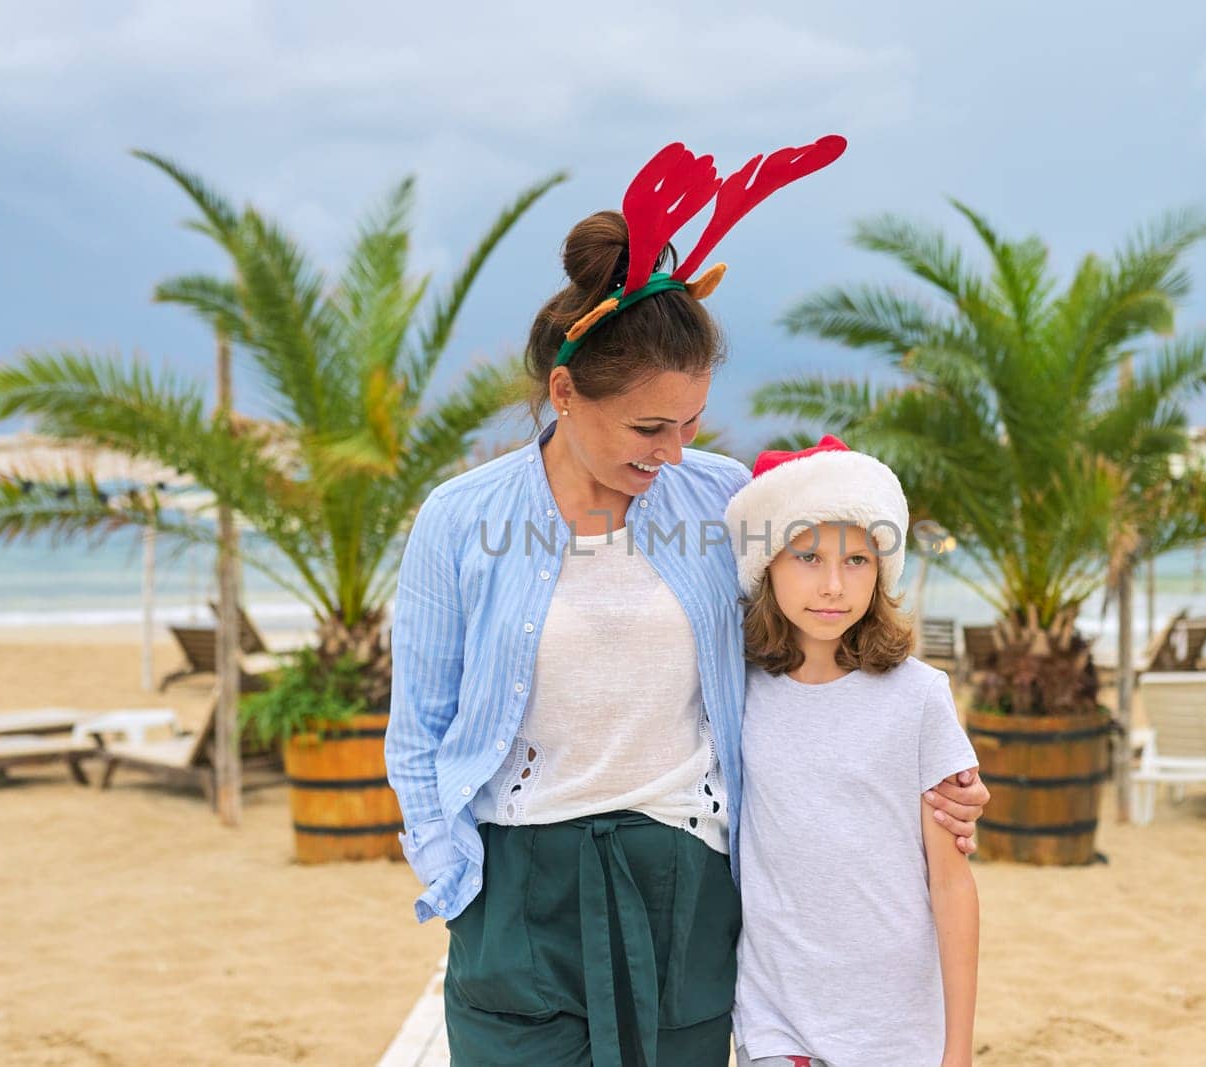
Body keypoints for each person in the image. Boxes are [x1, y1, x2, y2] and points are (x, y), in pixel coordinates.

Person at [385, 138, 989, 1067]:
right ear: (564, 391)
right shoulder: (460, 521)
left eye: (692, 422)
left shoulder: (722, 500)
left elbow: (816, 641)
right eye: (647, 426)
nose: (674, 452)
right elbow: (417, 727)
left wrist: (933, 774)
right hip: (516, 884)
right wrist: (452, 876)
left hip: (685, 872)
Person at [725, 435, 981, 1067]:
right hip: (774, 1020)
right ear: (767, 565)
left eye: (857, 561)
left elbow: (951, 885)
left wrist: (959, 1050)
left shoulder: (920, 696)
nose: (833, 585)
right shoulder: (734, 691)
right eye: (808, 556)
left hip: (893, 1028)